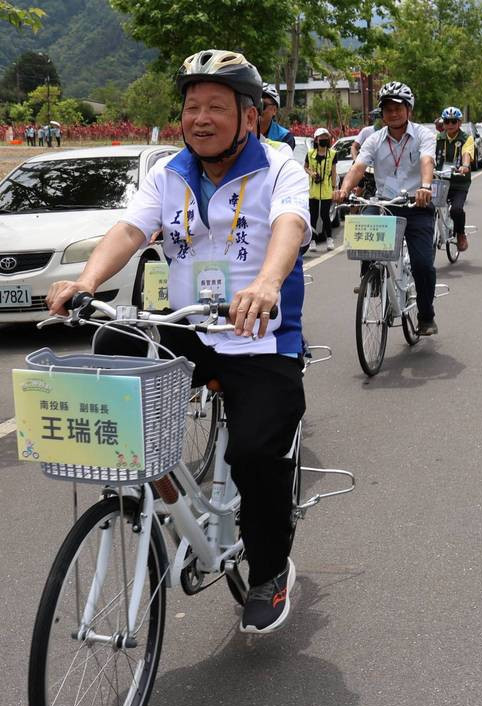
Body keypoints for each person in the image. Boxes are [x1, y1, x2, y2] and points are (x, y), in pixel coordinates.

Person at [45, 49, 311, 635]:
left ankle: (269, 570)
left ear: (250, 116)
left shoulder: (281, 167)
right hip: (191, 326)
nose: (201, 118)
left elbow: (290, 225)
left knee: (255, 454)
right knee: (111, 347)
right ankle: (162, 490)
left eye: (217, 106)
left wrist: (267, 284)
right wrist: (87, 281)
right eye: (192, 107)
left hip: (260, 337)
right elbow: (131, 229)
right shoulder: (168, 173)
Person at [333, 81, 440, 336]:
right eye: (388, 108)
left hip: (416, 204)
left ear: (409, 110)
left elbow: (427, 160)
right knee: (362, 235)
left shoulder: (424, 135)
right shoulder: (374, 139)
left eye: (398, 108)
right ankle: (372, 280)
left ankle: (426, 315)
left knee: (423, 265)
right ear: (382, 113)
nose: (393, 113)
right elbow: (358, 167)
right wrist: (344, 190)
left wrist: (425, 186)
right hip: (385, 205)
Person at [436, 106, 474, 252]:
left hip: (459, 182)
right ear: (443, 123)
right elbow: (428, 156)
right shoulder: (438, 138)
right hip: (440, 181)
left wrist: (465, 165)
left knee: (457, 210)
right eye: (447, 121)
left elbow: (467, 153)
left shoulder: (466, 138)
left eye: (454, 121)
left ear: (459, 123)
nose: (450, 125)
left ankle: (460, 234)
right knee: (427, 208)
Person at [305, 127, 337, 251]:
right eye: (320, 138)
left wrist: (334, 189)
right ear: (316, 140)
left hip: (326, 189)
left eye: (325, 137)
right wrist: (311, 173)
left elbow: (334, 172)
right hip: (313, 189)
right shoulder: (310, 153)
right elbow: (305, 167)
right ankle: (312, 241)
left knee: (325, 215)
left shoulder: (333, 154)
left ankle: (329, 239)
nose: (323, 140)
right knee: (313, 216)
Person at [259, 83, 297, 150]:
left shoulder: (285, 137)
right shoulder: (242, 132)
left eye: (263, 105)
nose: (257, 109)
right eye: (254, 104)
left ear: (274, 110)